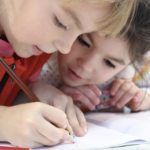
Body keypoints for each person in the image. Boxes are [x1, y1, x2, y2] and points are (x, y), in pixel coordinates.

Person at [0, 0, 137, 148]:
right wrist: (4, 122)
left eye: (80, 34)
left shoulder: (35, 51)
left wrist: (26, 96)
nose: (65, 49)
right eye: (61, 23)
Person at [38, 0, 150, 114]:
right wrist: (48, 96)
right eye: (83, 42)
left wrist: (143, 99)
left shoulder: (132, 72)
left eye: (109, 63)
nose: (86, 66)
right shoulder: (38, 53)